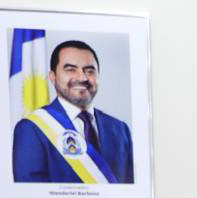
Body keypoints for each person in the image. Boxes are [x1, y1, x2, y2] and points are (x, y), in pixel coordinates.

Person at [12, 40, 134, 184]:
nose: (82, 78)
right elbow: (31, 194)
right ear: (52, 77)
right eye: (71, 70)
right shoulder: (32, 129)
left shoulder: (120, 129)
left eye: (90, 71)